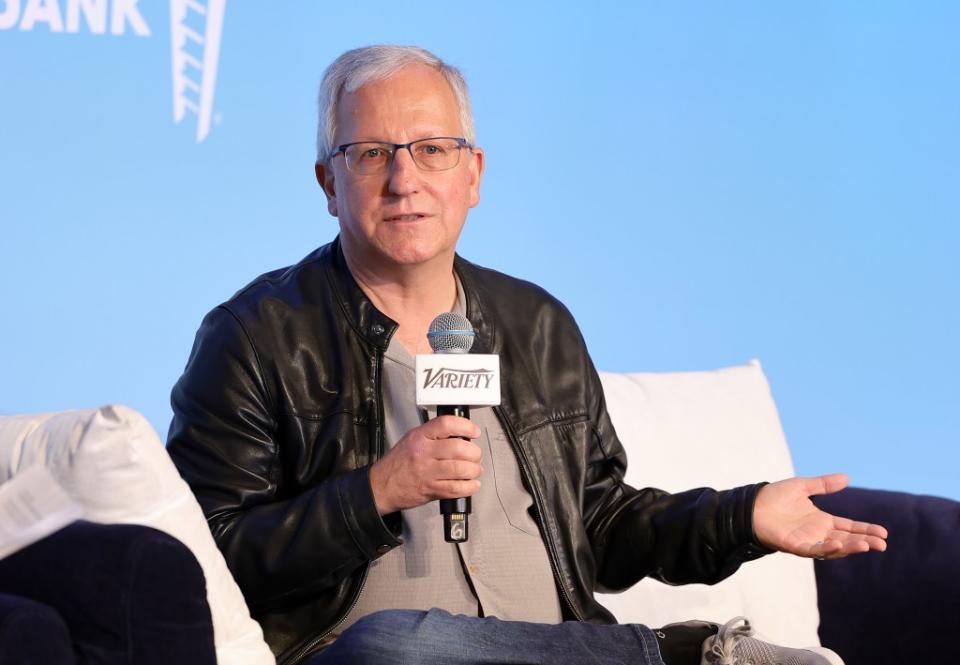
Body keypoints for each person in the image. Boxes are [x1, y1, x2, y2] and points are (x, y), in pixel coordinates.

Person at [166, 45, 887, 665]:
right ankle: (686, 655)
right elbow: (210, 561)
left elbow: (602, 526)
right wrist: (377, 490)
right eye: (371, 154)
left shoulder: (535, 323)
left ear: (472, 174)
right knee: (390, 647)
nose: (404, 179)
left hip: (557, 645)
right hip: (368, 657)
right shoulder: (256, 336)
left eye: (431, 149)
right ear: (329, 182)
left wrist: (745, 516)